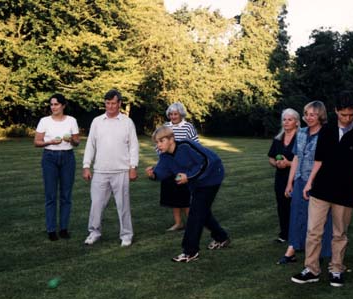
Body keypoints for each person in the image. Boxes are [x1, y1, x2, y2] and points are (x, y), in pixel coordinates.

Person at [291, 90, 353, 287]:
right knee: (313, 230)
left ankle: (336, 269)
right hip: (321, 188)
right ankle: (311, 269)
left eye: (351, 115)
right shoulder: (327, 130)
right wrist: (310, 182)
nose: (347, 119)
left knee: (339, 233)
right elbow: (319, 159)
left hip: (346, 191)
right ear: (336, 111)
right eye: (343, 114)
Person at [146, 126, 230, 262]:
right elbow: (161, 172)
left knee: (195, 213)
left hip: (212, 176)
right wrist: (153, 175)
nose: (158, 145)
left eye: (161, 141)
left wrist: (188, 177)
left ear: (172, 139)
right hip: (196, 182)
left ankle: (190, 252)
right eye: (156, 142)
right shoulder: (165, 156)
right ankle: (222, 237)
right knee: (202, 212)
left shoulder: (186, 145)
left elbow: (206, 162)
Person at [82, 89, 139, 247]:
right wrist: (86, 166)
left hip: (121, 170)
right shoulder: (97, 122)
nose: (111, 106)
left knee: (123, 206)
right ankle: (94, 232)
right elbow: (90, 146)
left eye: (114, 103)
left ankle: (126, 235)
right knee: (96, 205)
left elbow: (134, 146)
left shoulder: (127, 122)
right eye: (108, 103)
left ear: (119, 104)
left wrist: (133, 167)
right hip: (100, 171)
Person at [278, 101, 332, 264]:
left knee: (320, 218)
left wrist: (312, 181)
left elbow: (324, 160)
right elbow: (296, 157)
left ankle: (323, 252)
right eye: (306, 114)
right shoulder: (300, 133)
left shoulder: (326, 134)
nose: (309, 117)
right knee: (296, 216)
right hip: (300, 179)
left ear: (320, 116)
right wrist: (290, 182)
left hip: (319, 182)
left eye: (313, 114)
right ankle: (292, 248)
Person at [34, 94, 80, 241]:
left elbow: (77, 142)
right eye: (51, 104)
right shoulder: (44, 121)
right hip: (49, 158)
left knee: (66, 196)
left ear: (63, 105)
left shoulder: (71, 120)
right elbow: (37, 142)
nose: (53, 107)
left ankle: (64, 229)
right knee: (50, 196)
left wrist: (71, 139)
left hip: (68, 158)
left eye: (56, 104)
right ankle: (51, 230)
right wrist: (50, 142)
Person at [159, 102, 199, 231]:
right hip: (169, 167)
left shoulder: (188, 127)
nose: (173, 116)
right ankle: (178, 223)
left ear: (181, 114)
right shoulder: (166, 127)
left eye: (175, 114)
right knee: (173, 196)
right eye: (170, 114)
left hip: (184, 167)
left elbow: (195, 144)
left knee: (185, 196)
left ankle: (192, 223)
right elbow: (158, 144)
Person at [267, 108, 299, 243]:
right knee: (282, 206)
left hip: (296, 178)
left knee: (296, 207)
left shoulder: (300, 139)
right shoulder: (278, 139)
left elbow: (303, 162)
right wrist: (277, 164)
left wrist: (289, 164)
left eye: (290, 119)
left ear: (296, 122)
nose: (286, 122)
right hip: (280, 178)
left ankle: (297, 235)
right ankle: (284, 234)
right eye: (284, 119)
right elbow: (271, 158)